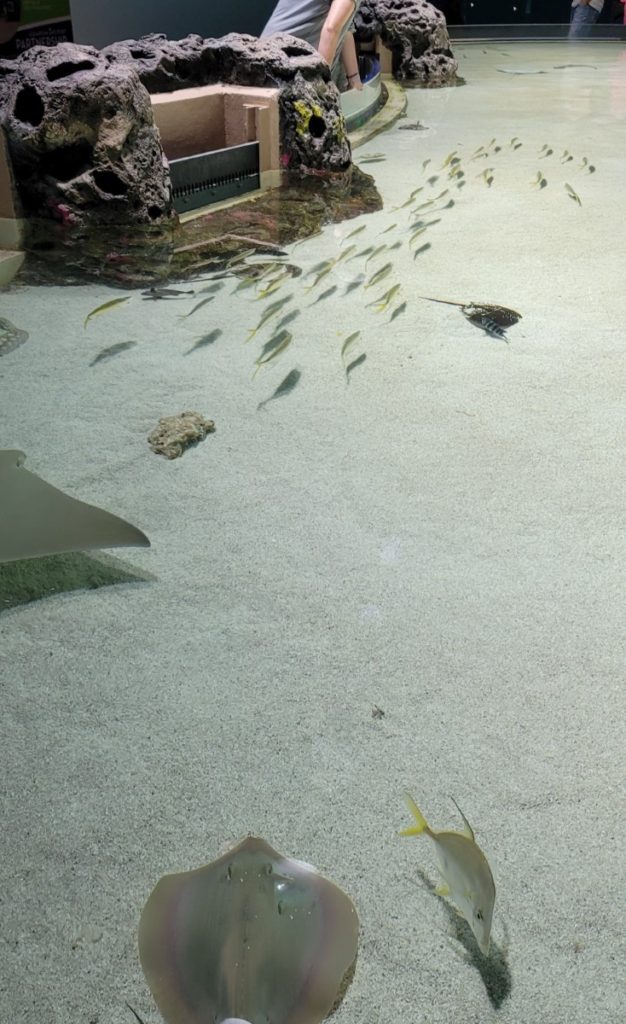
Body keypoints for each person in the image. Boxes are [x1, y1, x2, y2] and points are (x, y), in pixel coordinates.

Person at [261, 0, 363, 90]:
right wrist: (322, 85)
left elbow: (344, 28)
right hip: (283, 67)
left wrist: (354, 78)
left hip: (262, 56)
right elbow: (331, 29)